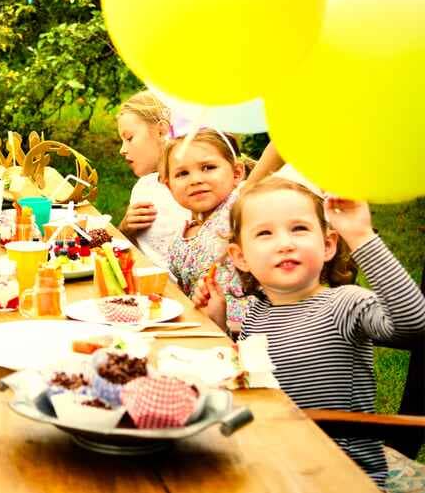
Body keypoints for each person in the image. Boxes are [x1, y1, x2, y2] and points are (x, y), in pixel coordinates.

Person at [194, 177, 425, 486]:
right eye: (264, 233)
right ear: (241, 257)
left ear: (328, 244)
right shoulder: (256, 313)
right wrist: (219, 325)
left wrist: (360, 235)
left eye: (299, 229)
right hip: (270, 459)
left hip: (339, 475)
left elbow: (414, 324)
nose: (285, 243)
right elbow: (254, 381)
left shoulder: (346, 304)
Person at [160, 128, 250, 331]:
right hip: (200, 328)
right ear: (169, 186)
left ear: (237, 173)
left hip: (243, 334)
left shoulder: (238, 209)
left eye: (208, 167)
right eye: (182, 173)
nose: (195, 180)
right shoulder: (184, 231)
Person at [116, 90, 190, 269]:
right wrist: (125, 230)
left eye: (129, 138)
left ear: (161, 130)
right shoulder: (144, 187)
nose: (122, 150)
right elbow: (134, 252)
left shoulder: (196, 188)